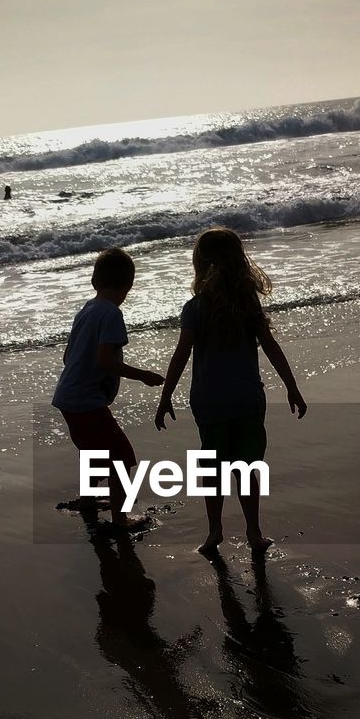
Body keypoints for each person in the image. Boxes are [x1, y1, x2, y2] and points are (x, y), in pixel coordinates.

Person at [156, 227, 306, 554]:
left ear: (200, 265)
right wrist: (291, 387)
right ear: (240, 261)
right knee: (247, 467)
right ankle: (254, 532)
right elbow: (271, 346)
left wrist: (166, 396)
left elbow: (181, 355)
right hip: (248, 399)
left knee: (214, 469)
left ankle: (214, 532)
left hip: (210, 402)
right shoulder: (247, 303)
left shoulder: (194, 308)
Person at [52, 247, 163, 528]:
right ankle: (120, 518)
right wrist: (143, 375)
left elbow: (68, 356)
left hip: (67, 396)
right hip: (86, 400)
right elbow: (105, 360)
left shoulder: (87, 309)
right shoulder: (111, 314)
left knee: (95, 454)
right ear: (129, 285)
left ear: (94, 281)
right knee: (121, 458)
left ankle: (89, 501)